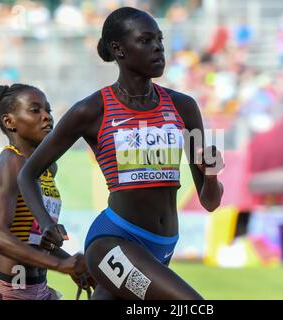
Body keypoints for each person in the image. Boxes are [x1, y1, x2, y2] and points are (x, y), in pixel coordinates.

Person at [18, 7, 224, 300]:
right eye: (145, 40)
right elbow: (28, 173)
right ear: (119, 49)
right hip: (111, 243)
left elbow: (210, 202)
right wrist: (46, 223)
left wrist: (211, 175)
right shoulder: (91, 110)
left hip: (161, 248)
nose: (158, 47)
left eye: (160, 40)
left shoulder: (184, 106)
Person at [0, 83, 92, 300]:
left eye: (48, 110)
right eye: (35, 110)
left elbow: (33, 240)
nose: (46, 117)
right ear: (9, 121)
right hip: (3, 290)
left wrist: (72, 265)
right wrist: (61, 265)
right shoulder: (11, 162)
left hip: (38, 290)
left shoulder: (49, 167)